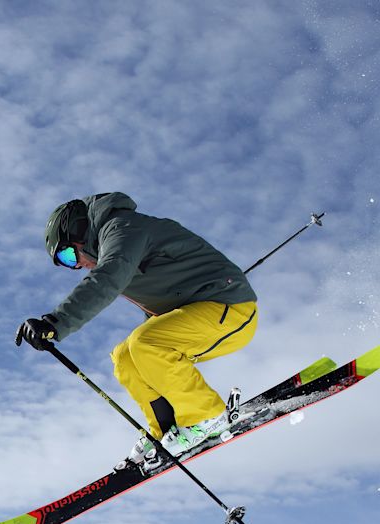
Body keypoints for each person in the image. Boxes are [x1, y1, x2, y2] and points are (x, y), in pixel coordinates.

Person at [16, 192, 258, 465]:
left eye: (70, 255)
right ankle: (165, 429)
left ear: (78, 230)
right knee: (125, 357)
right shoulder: (115, 243)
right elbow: (153, 313)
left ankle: (205, 416)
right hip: (199, 312)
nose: (77, 266)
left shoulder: (122, 229)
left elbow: (108, 278)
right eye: (68, 265)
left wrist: (55, 322)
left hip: (230, 307)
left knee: (146, 344)